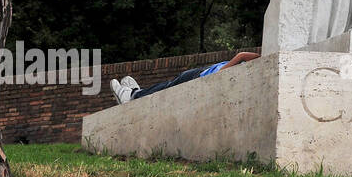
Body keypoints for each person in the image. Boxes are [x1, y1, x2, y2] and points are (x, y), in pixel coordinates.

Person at [109, 52, 260, 105]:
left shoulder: (232, 70)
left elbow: (241, 56)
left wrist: (254, 57)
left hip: (198, 77)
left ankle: (132, 95)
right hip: (201, 73)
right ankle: (138, 92)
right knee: (167, 85)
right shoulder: (236, 71)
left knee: (167, 87)